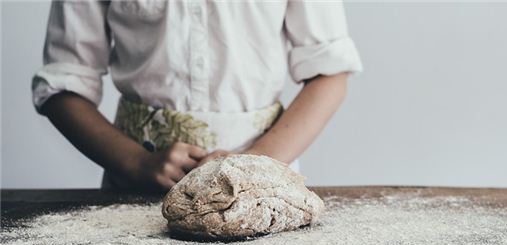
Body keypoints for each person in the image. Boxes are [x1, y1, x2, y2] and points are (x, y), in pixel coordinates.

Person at [32, 0, 362, 191]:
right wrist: (136, 162)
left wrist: (257, 163)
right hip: (138, 187)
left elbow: (329, 73)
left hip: (264, 182)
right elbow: (63, 83)